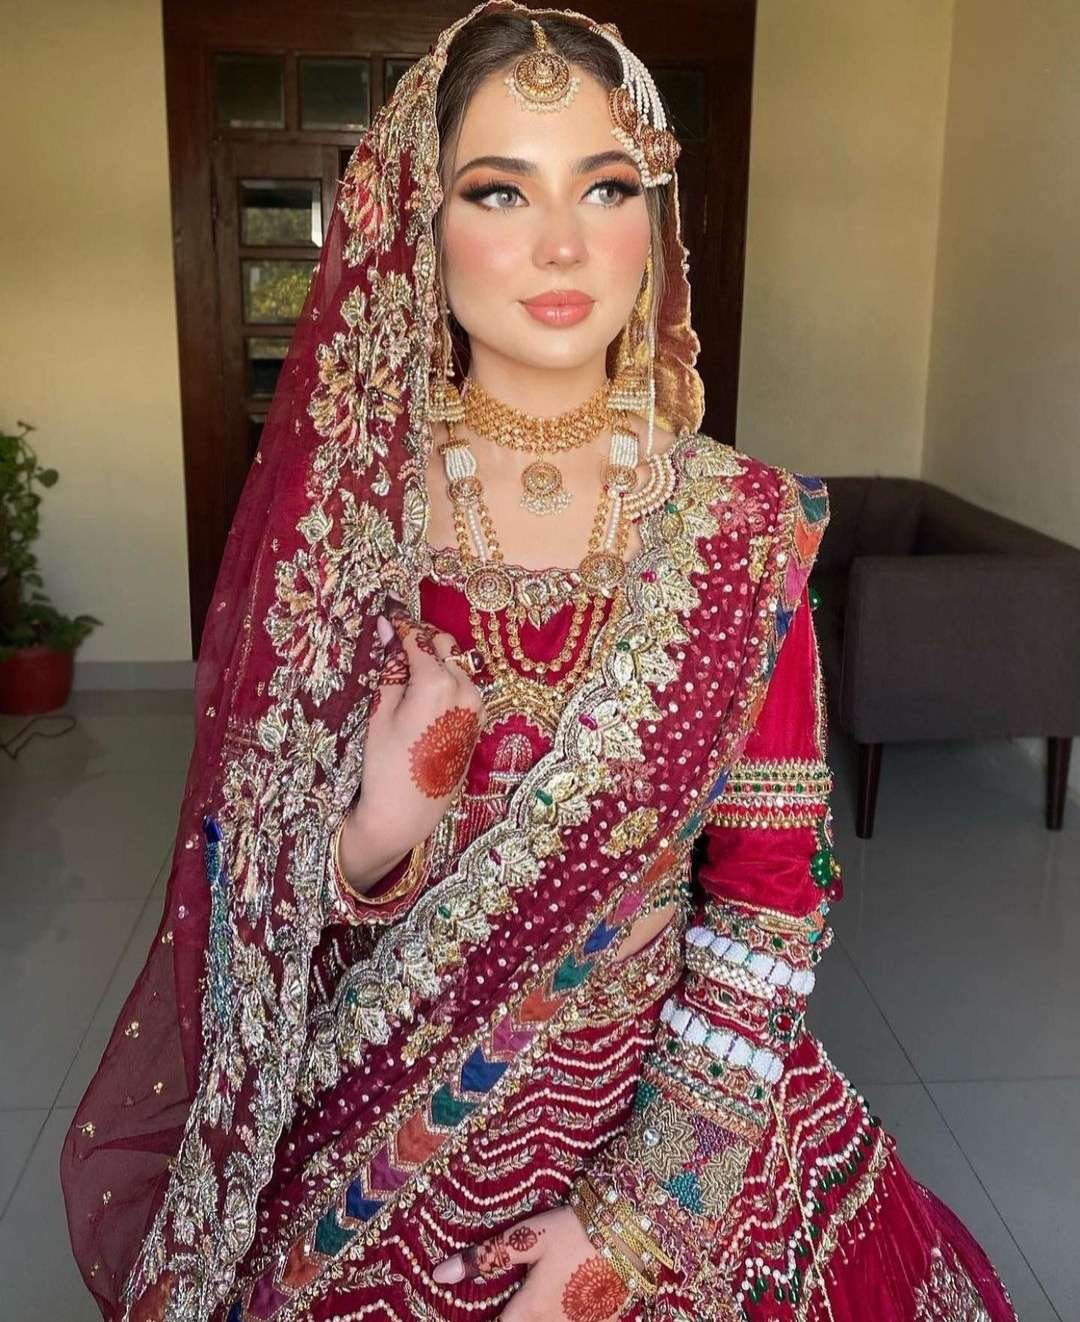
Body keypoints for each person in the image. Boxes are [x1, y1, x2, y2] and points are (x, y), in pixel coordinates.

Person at [61, 5, 1019, 1319]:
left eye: (606, 186)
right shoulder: (350, 528)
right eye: (501, 190)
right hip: (373, 1146)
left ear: (654, 220)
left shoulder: (738, 528)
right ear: (423, 222)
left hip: (676, 1121)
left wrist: (639, 1219)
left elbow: (769, 908)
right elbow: (234, 911)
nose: (563, 243)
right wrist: (371, 838)